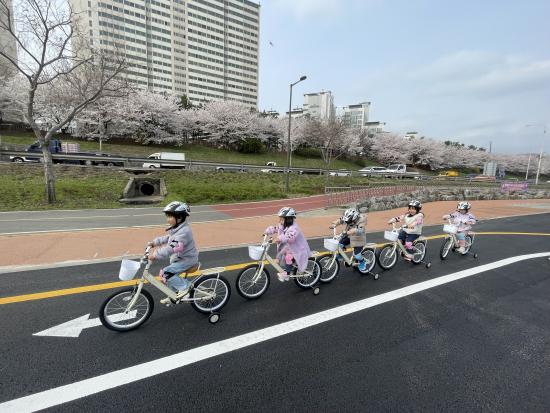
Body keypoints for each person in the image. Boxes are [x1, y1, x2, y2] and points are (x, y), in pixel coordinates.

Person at [148, 201, 199, 304]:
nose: (168, 219)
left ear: (179, 217)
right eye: (167, 216)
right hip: (180, 259)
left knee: (166, 273)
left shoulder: (184, 232)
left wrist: (155, 255)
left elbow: (172, 247)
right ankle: (173, 295)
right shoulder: (177, 229)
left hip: (187, 260)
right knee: (168, 276)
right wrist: (155, 243)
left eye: (170, 216)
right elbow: (169, 238)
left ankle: (186, 287)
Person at [265, 207, 312, 282]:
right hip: (290, 247)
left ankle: (287, 273)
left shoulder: (294, 228)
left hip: (298, 249)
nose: (279, 221)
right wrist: (268, 231)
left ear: (288, 220)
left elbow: (289, 236)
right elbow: (276, 228)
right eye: (280, 219)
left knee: (288, 257)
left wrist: (279, 238)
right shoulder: (283, 225)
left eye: (281, 219)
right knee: (281, 252)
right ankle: (283, 263)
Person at [330, 207, 369, 271]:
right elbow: (341, 220)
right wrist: (334, 224)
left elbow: (359, 229)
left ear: (354, 217)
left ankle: (362, 262)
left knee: (357, 256)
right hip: (349, 236)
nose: (347, 221)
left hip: (358, 239)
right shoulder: (348, 218)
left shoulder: (362, 220)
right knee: (339, 245)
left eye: (348, 220)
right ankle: (340, 255)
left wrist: (349, 232)